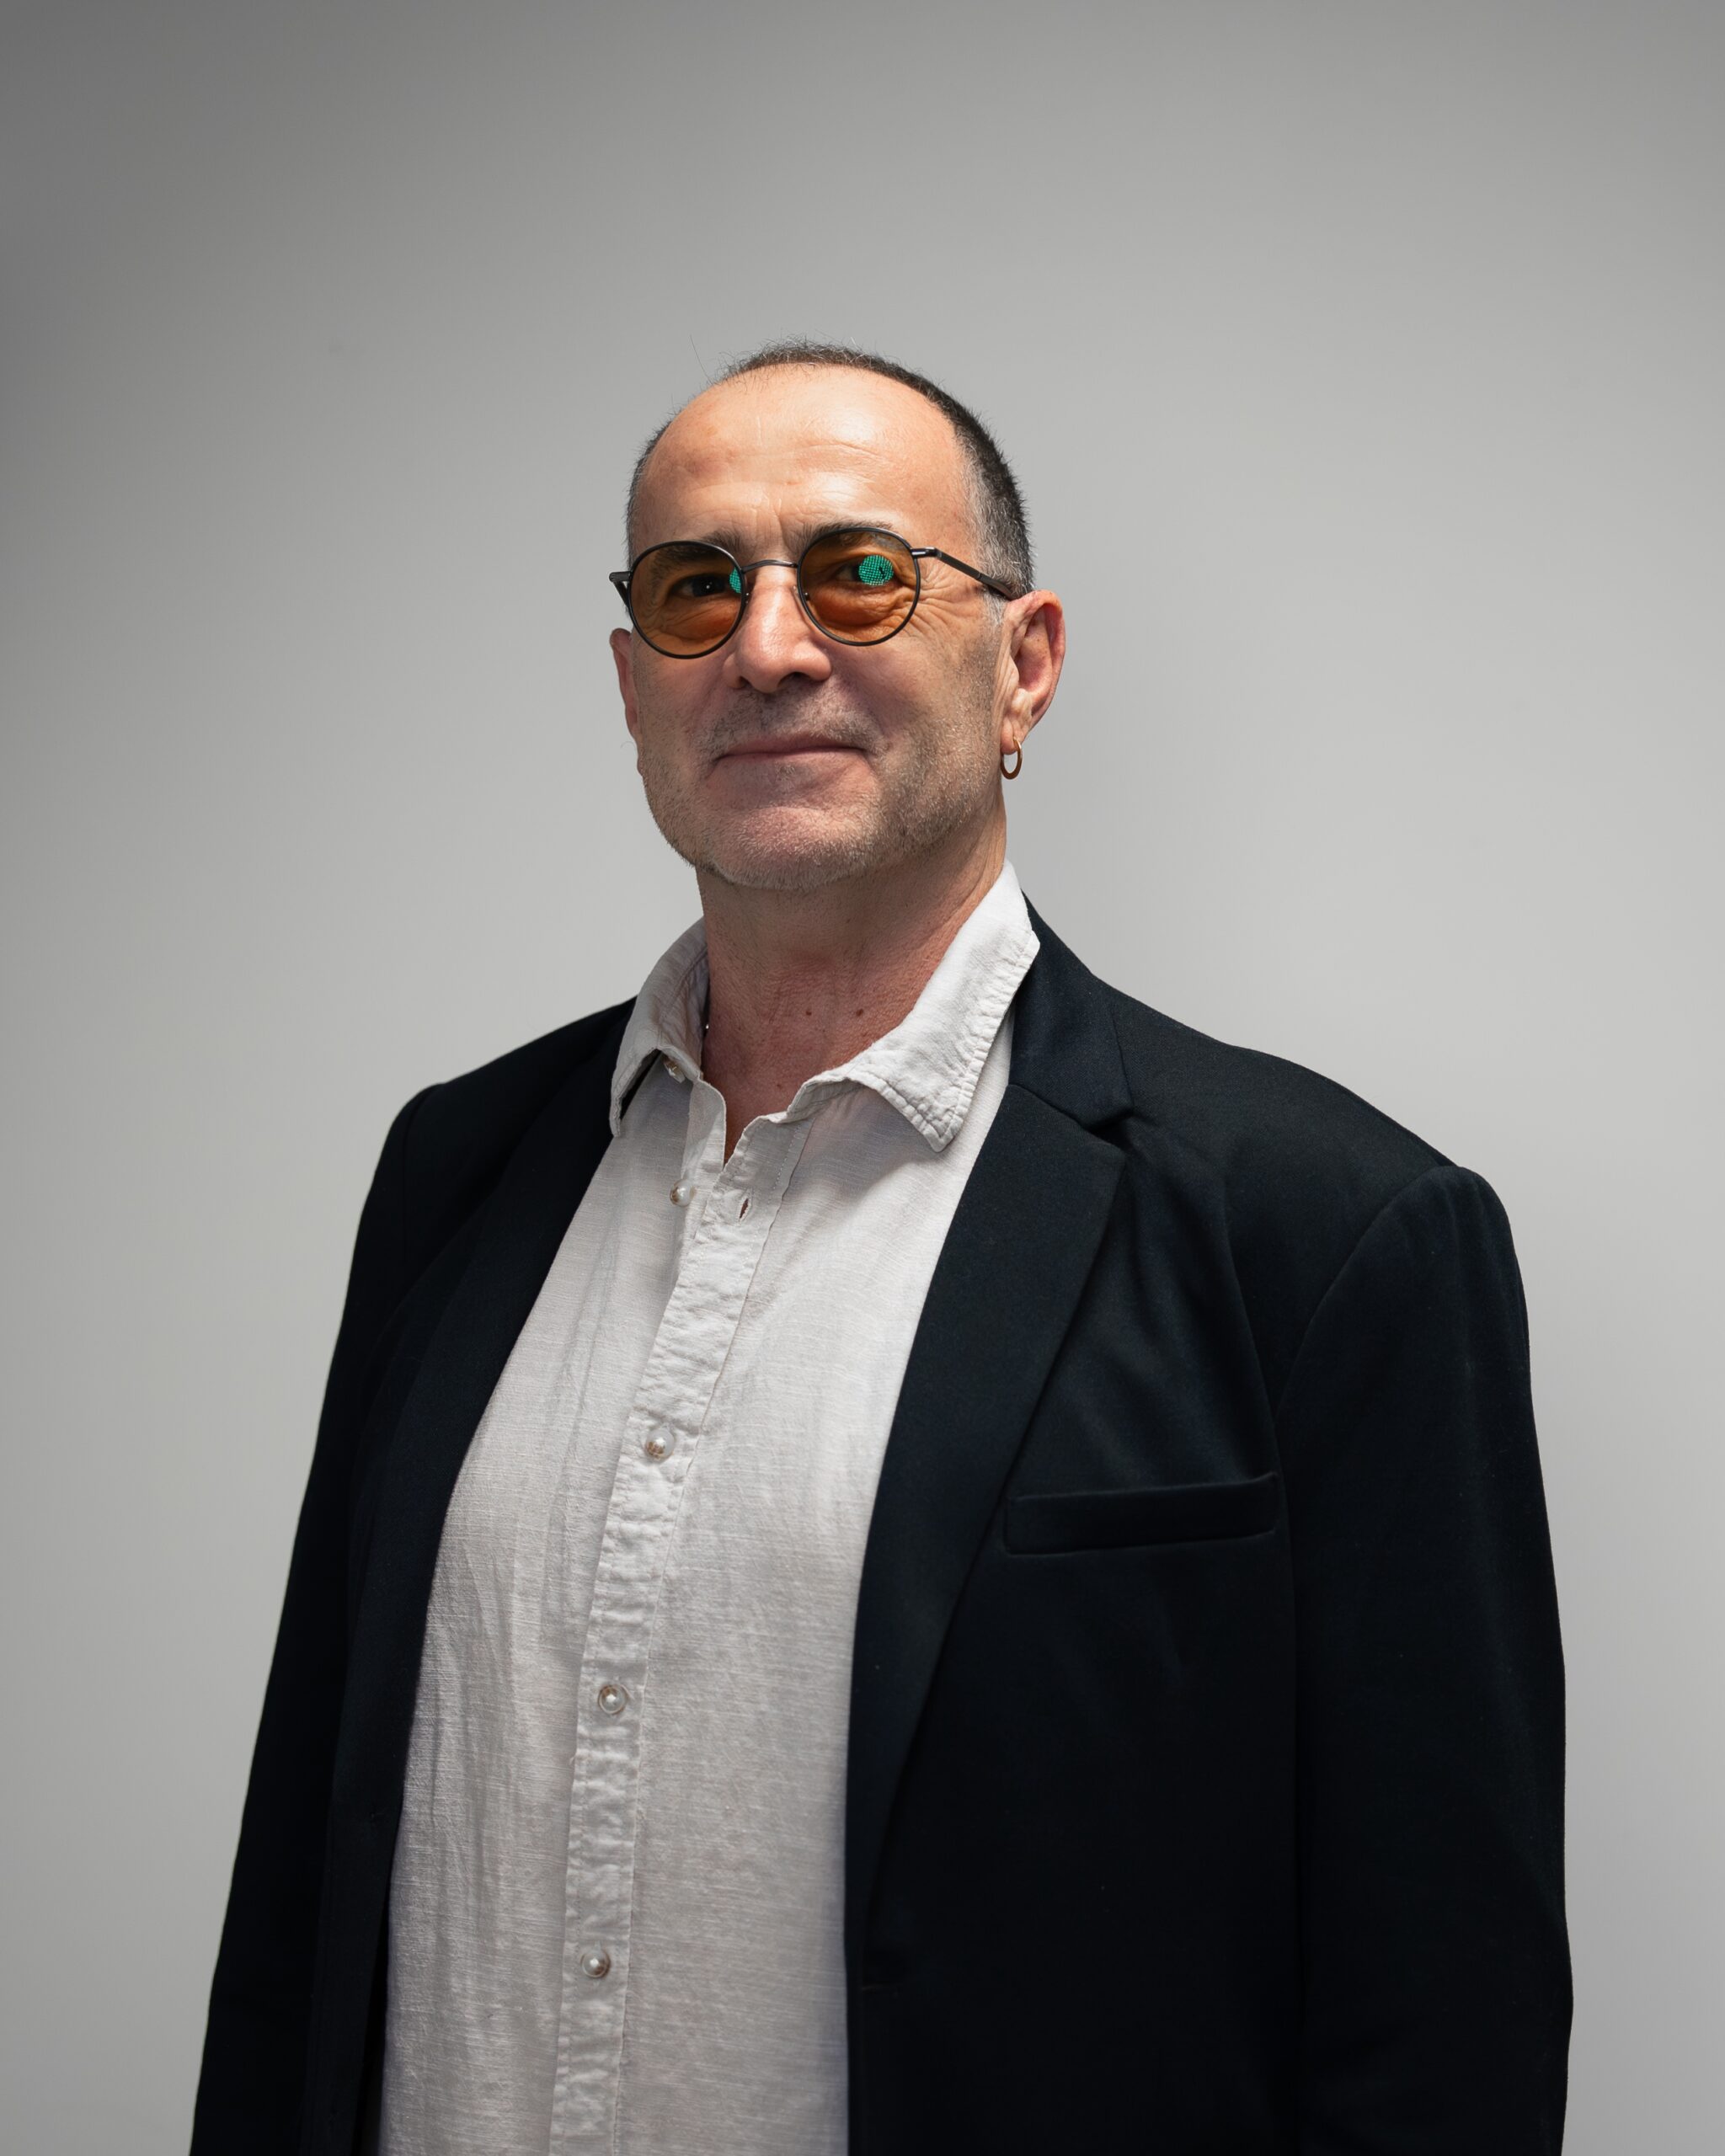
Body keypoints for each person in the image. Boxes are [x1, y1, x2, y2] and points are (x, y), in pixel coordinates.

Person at [190, 340, 1571, 2155]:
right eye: (697, 588)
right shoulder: (457, 1172)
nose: (768, 647)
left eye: (858, 573)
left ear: (1024, 664)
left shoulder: (1329, 1232)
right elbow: (303, 1892)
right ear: (631, 686)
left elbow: (1443, 2020)